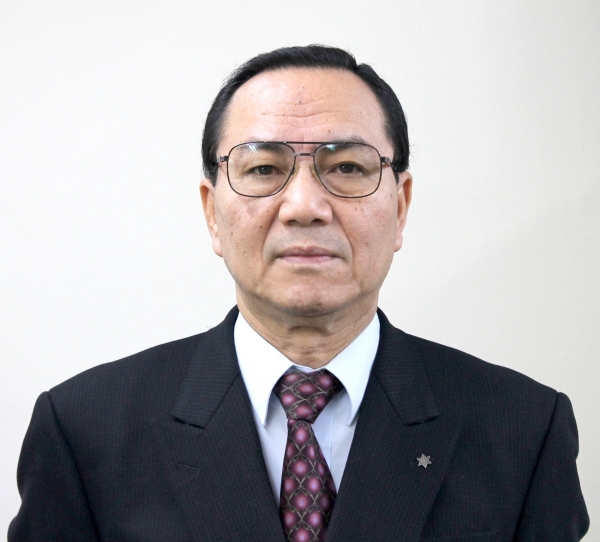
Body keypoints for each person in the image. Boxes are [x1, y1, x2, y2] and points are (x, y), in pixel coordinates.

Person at [9, 45, 589, 542]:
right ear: (212, 213)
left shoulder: (523, 429)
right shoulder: (85, 430)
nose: (306, 207)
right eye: (263, 169)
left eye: (349, 168)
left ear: (401, 206)